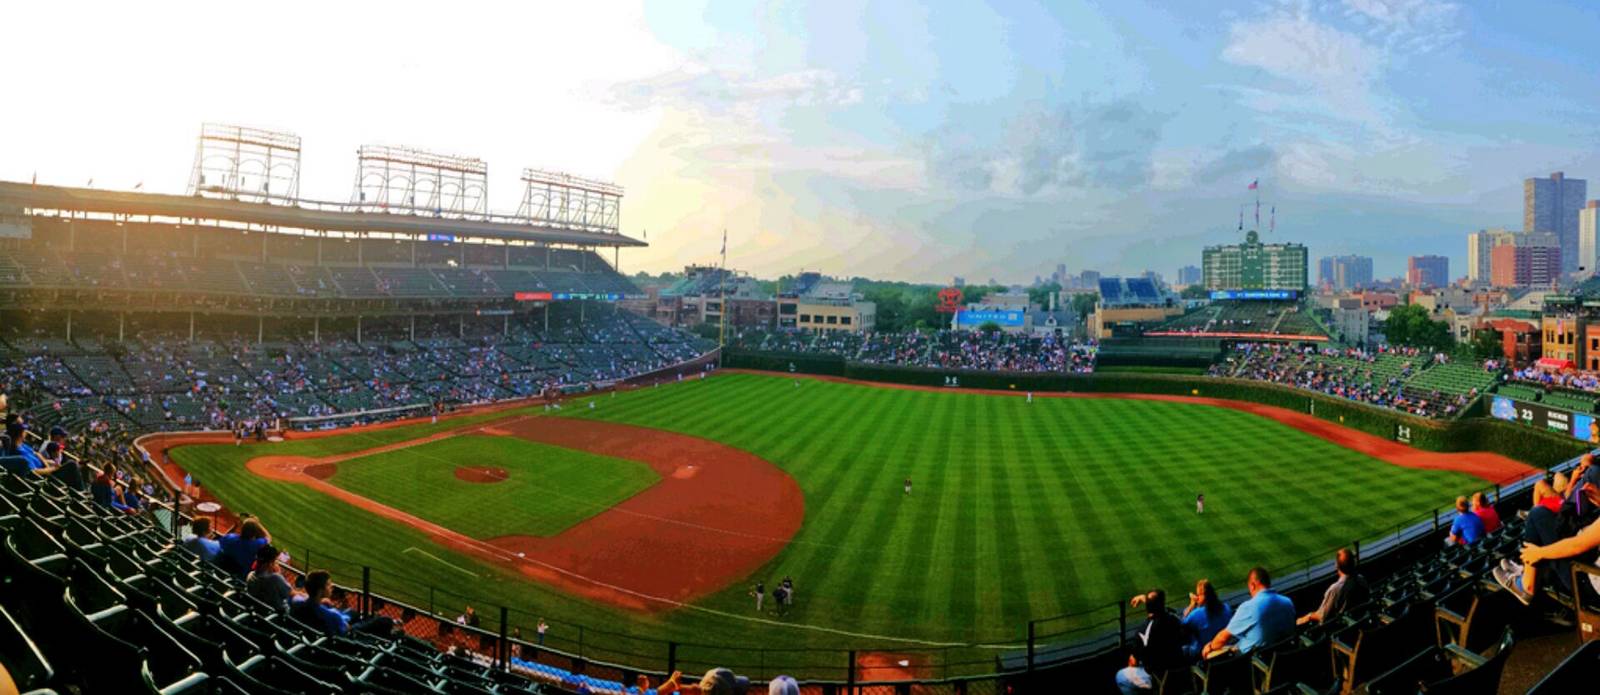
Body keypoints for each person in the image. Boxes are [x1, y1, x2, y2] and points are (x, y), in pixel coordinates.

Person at [1498, 479, 1598, 603]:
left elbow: (1577, 546)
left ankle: (1525, 586)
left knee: (1537, 514)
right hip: (1592, 566)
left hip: (1587, 582)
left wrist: (1538, 553)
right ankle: (1527, 573)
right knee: (1546, 518)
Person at [1202, 567, 1294, 658]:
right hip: (1283, 655)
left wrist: (1210, 647)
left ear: (1252, 585)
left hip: (1254, 660)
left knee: (1211, 654)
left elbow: (1222, 638)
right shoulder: (1288, 602)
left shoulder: (1249, 607)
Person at [290, 569, 393, 637]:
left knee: (352, 612)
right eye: (328, 585)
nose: (332, 587)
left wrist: (320, 601)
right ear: (320, 591)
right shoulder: (332, 615)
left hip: (315, 628)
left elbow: (301, 597)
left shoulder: (297, 602)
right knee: (386, 621)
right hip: (346, 633)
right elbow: (346, 629)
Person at [1297, 548, 1369, 626]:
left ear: (1337, 566)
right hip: (1360, 622)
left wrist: (1309, 616)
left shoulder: (1335, 589)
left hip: (1343, 628)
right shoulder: (1361, 579)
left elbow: (1322, 617)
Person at [1126, 589, 1185, 673]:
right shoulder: (1174, 620)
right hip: (1178, 667)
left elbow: (1134, 662)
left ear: (1147, 607)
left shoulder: (1143, 631)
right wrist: (1146, 599)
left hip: (1156, 674)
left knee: (1120, 675)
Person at [1179, 579, 1232, 661]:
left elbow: (1182, 625)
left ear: (1203, 596)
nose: (1197, 597)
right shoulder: (1226, 607)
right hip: (1223, 649)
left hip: (1203, 653)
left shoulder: (1196, 614)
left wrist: (1192, 605)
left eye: (1198, 595)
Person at [245, 544, 293, 613]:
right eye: (275, 561)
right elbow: (288, 593)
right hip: (277, 614)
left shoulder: (250, 575)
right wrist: (279, 573)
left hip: (258, 610)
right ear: (270, 563)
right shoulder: (275, 578)